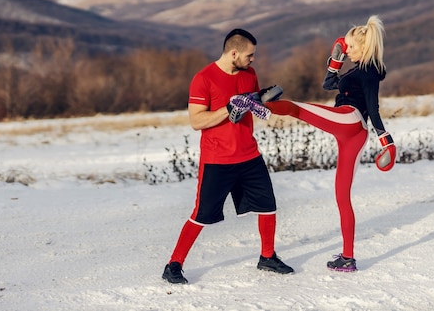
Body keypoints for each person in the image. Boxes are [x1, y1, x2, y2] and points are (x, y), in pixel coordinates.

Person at [263, 15, 396, 272]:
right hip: (352, 133)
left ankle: (258, 104)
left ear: (364, 48)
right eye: (346, 48)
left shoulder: (369, 70)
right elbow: (327, 84)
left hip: (350, 120)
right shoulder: (355, 69)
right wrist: (336, 59)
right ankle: (348, 258)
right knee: (342, 196)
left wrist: (385, 140)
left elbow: (373, 107)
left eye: (351, 48)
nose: (348, 51)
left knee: (297, 109)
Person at [162, 28, 294, 285]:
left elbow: (252, 105)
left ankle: (267, 257)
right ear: (233, 53)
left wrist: (263, 100)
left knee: (268, 206)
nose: (253, 60)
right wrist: (228, 107)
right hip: (217, 161)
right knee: (201, 214)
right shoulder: (203, 79)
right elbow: (196, 121)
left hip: (249, 155)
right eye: (249, 55)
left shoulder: (249, 74)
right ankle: (173, 265)